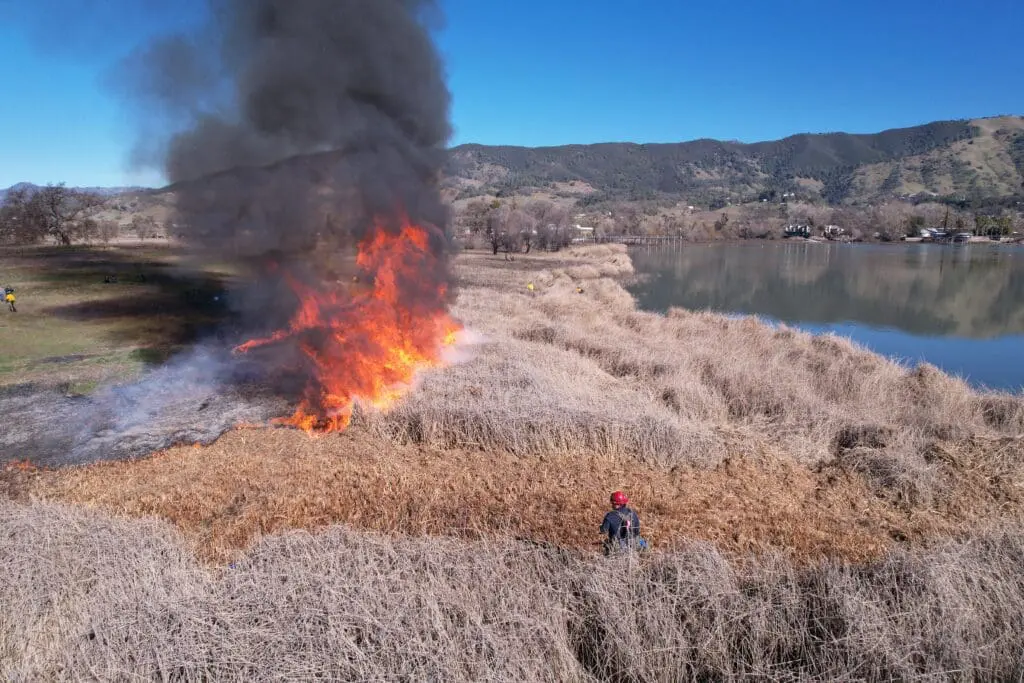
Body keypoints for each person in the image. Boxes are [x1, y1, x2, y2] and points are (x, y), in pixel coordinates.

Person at [600, 490, 647, 555]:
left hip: (619, 548)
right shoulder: (633, 513)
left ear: (615, 503)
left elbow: (603, 531)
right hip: (635, 544)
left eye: (612, 503)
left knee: (607, 543)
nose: (611, 504)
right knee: (643, 541)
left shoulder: (610, 516)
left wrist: (602, 526)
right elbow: (637, 531)